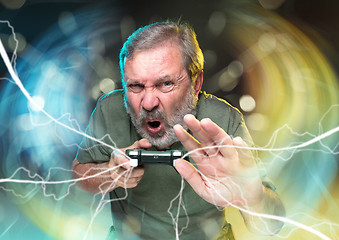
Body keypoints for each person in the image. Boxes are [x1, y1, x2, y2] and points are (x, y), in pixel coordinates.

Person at [72, 20, 285, 240]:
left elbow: (272, 227)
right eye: (135, 86)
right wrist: (110, 174)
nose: (148, 103)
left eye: (165, 84)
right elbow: (79, 173)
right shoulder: (110, 109)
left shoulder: (223, 119)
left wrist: (253, 198)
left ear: (196, 83)